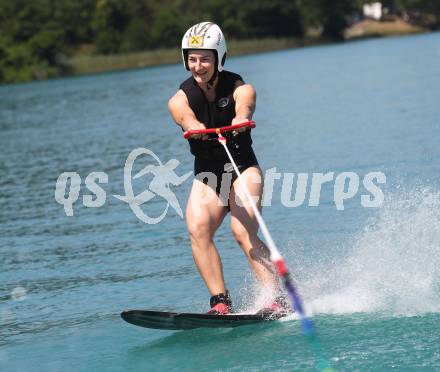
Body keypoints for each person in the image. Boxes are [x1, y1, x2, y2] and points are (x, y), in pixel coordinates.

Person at [168, 22, 288, 315]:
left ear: (218, 57)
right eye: (192, 59)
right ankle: (220, 301)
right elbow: (181, 114)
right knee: (197, 229)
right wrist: (192, 124)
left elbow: (246, 102)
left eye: (205, 58)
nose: (198, 66)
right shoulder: (180, 97)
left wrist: (240, 117)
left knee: (241, 230)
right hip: (209, 175)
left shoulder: (240, 87)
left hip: (242, 168)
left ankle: (277, 298)